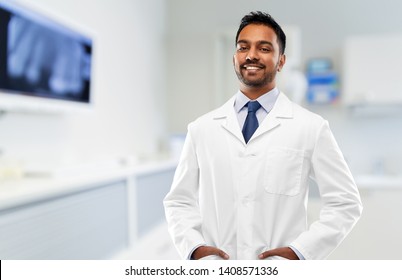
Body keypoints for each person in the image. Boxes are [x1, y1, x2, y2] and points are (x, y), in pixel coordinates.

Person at [163, 11, 362, 260]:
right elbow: (179, 201)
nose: (252, 55)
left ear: (281, 61)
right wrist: (194, 249)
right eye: (243, 47)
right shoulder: (202, 129)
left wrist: (300, 252)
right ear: (234, 58)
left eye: (264, 48)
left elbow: (345, 203)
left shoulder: (311, 127)